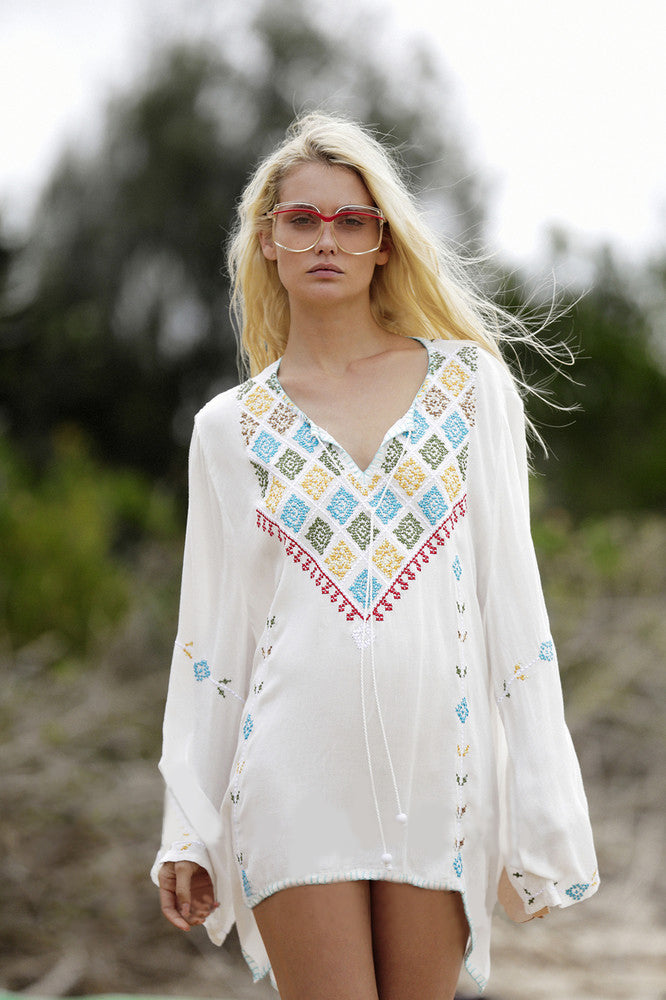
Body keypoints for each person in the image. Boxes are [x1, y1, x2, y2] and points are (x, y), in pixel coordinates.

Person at [151, 112, 599, 1000]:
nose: (327, 238)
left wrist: (542, 813)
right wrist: (188, 829)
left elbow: (517, 607)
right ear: (267, 240)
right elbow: (212, 646)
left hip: (443, 779)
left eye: (352, 221)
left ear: (383, 243)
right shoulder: (227, 430)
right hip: (290, 778)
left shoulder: (471, 388)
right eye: (302, 219)